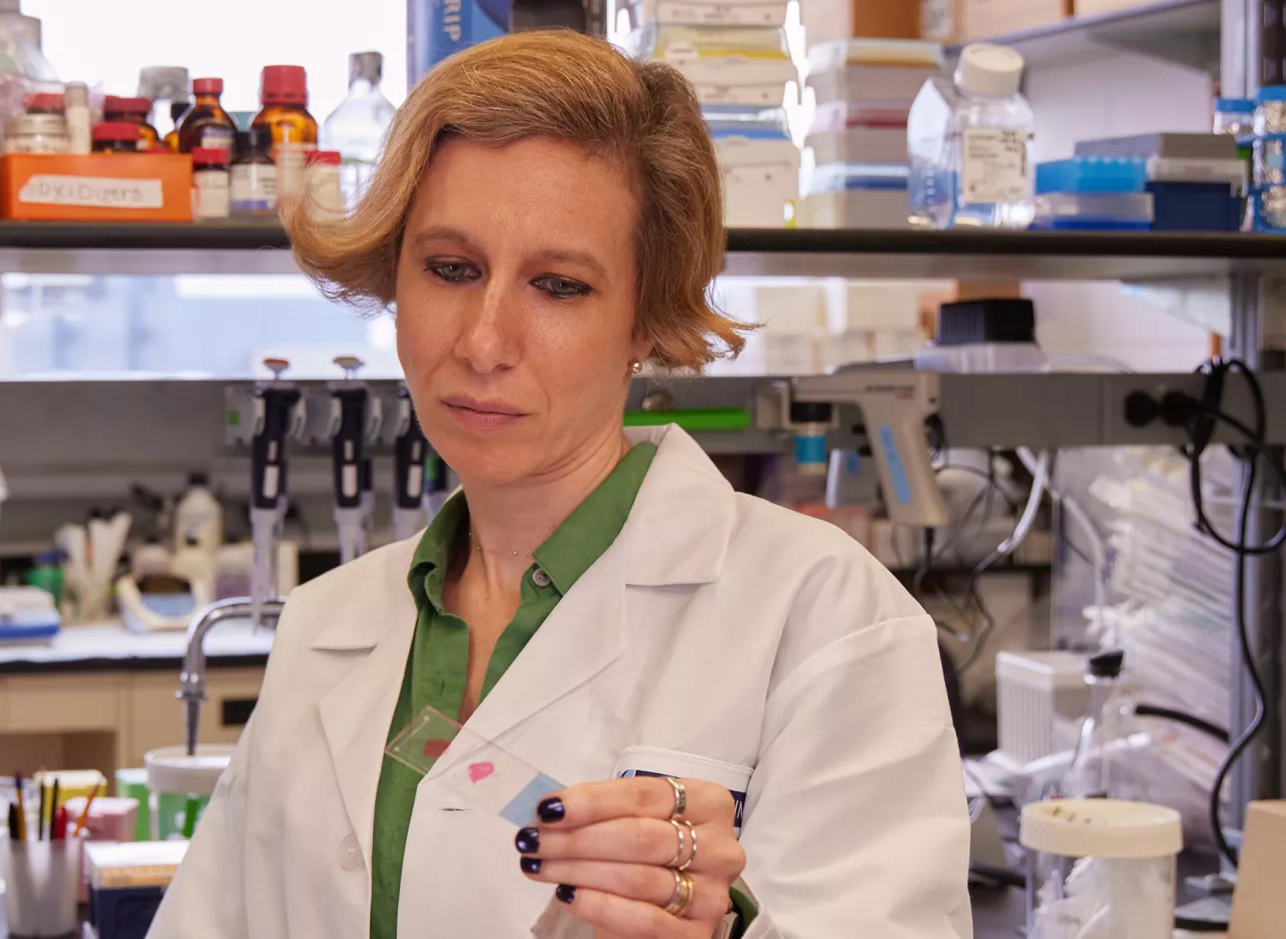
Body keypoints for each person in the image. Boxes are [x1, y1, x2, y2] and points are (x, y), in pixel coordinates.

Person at [149, 30, 971, 939]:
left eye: (560, 285)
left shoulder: (824, 614)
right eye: (451, 269)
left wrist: (724, 930)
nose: (484, 342)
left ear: (645, 319)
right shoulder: (322, 627)